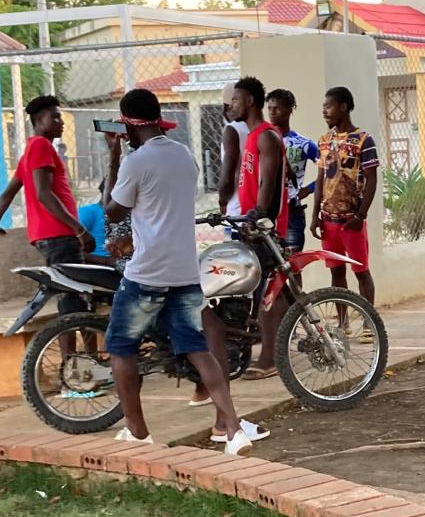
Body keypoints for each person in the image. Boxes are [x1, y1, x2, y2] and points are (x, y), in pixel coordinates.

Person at [103, 88, 252, 455]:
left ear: (127, 126)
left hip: (146, 273)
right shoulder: (184, 155)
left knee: (121, 348)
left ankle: (138, 431)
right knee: (197, 349)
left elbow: (113, 210)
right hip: (185, 272)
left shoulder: (135, 162)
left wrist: (113, 158)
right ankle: (233, 430)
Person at [0, 95, 94, 322]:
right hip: (59, 234)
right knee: (76, 296)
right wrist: (80, 229)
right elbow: (44, 194)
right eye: (54, 117)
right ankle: (83, 355)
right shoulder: (41, 146)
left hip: (45, 235)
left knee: (67, 294)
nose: (60, 122)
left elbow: (7, 194)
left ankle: (72, 355)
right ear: (38, 120)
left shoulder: (29, 152)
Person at [233, 76, 288, 380]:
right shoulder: (254, 136)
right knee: (274, 293)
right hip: (253, 224)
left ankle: (269, 358)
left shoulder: (266, 136)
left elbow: (267, 183)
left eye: (236, 100)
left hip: (265, 226)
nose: (232, 105)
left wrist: (256, 217)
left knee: (269, 293)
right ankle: (281, 347)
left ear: (250, 101)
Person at [311, 87, 379, 317]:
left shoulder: (363, 140)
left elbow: (371, 180)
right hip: (329, 220)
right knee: (336, 273)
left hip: (351, 221)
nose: (324, 112)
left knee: (361, 271)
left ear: (343, 107)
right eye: (323, 108)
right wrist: (315, 216)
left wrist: (361, 215)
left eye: (328, 106)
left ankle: (369, 321)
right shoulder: (324, 141)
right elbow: (320, 179)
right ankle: (343, 322)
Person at [267, 88, 319, 253]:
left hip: (291, 212)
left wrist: (309, 189)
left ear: (290, 109)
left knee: (293, 265)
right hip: (266, 213)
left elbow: (331, 171)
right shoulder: (261, 140)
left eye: (277, 108)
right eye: (269, 108)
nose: (272, 112)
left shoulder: (303, 143)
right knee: (268, 265)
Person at [217, 82, 250, 218]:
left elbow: (229, 175)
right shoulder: (260, 129)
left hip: (238, 207)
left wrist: (222, 200)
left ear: (227, 107)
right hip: (259, 206)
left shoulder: (233, 130)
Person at [79, 180, 112, 265]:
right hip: (98, 268)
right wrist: (106, 261)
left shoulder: (129, 216)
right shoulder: (89, 212)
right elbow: (71, 250)